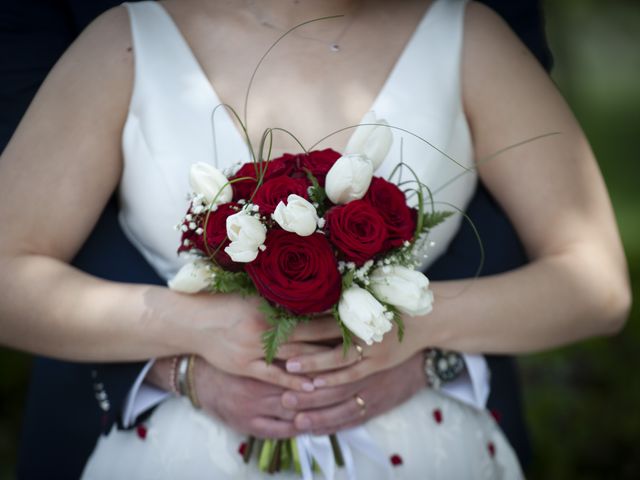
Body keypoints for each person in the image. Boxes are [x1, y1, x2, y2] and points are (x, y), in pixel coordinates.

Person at [0, 0, 629, 478]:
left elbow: (596, 285)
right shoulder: (124, 41)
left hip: (422, 447)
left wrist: (418, 335)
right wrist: (192, 336)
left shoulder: (468, 35)